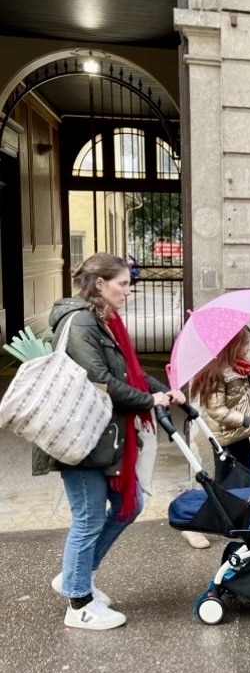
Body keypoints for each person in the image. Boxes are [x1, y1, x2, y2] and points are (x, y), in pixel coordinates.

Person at [34, 253, 185, 630]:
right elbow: (100, 379)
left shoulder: (106, 321)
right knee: (87, 518)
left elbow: (127, 372)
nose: (128, 291)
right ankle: (79, 604)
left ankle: (74, 576)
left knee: (125, 505)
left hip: (101, 436)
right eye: (123, 284)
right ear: (99, 284)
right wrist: (150, 400)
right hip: (78, 438)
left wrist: (165, 390)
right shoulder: (82, 322)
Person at [183, 326, 250, 548]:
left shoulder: (237, 367)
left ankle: (240, 524)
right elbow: (216, 411)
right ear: (232, 346)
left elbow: (243, 395)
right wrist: (247, 421)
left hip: (239, 435)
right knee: (225, 487)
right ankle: (190, 525)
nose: (249, 347)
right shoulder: (215, 372)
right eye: (245, 343)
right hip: (225, 439)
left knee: (244, 480)